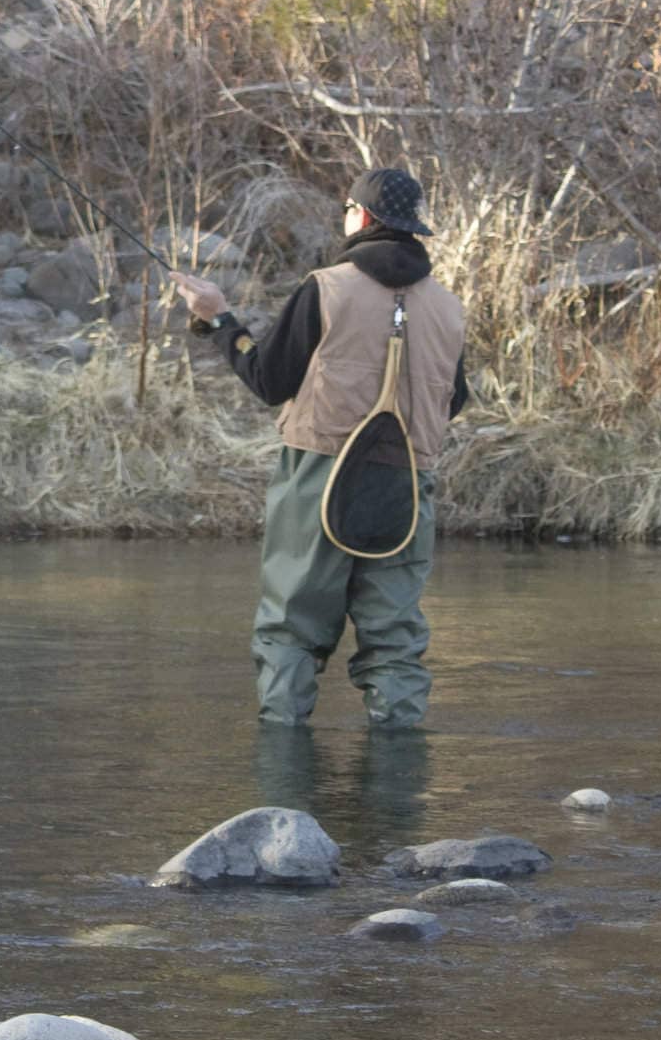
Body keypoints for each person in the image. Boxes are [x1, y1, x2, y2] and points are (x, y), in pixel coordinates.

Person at [171, 168, 468, 728]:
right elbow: (455, 400)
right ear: (412, 228)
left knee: (292, 626)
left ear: (361, 216)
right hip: (407, 484)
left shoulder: (326, 286)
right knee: (396, 638)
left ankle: (285, 777)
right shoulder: (449, 308)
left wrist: (219, 320)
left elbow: (269, 381)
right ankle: (397, 784)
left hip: (317, 475)